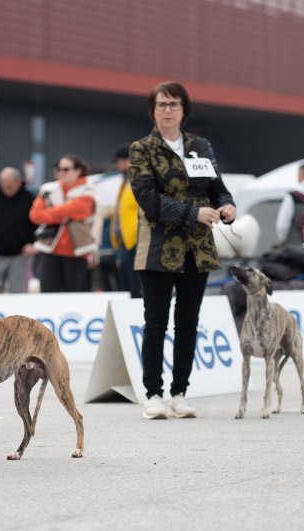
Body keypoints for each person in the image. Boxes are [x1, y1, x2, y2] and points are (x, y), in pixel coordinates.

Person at [130, 81, 236, 420]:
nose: (167, 110)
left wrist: (227, 205)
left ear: (184, 110)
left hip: (198, 249)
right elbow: (147, 199)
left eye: (173, 104)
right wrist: (193, 213)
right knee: (156, 322)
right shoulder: (142, 149)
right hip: (158, 248)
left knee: (189, 322)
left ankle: (180, 393)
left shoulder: (200, 146)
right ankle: (153, 394)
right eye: (161, 104)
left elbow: (217, 187)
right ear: (153, 110)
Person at [29, 155, 97, 292]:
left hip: (77, 253)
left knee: (76, 299)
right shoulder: (48, 189)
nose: (60, 173)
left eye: (66, 169)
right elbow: (35, 215)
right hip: (49, 250)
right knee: (48, 296)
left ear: (78, 171)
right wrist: (65, 215)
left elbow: (81, 210)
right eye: (58, 169)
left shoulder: (88, 191)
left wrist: (50, 212)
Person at [110, 146, 142, 298]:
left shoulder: (141, 181)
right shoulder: (125, 183)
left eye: (120, 161)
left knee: (137, 287)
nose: (118, 166)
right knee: (126, 288)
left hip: (137, 242)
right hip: (125, 242)